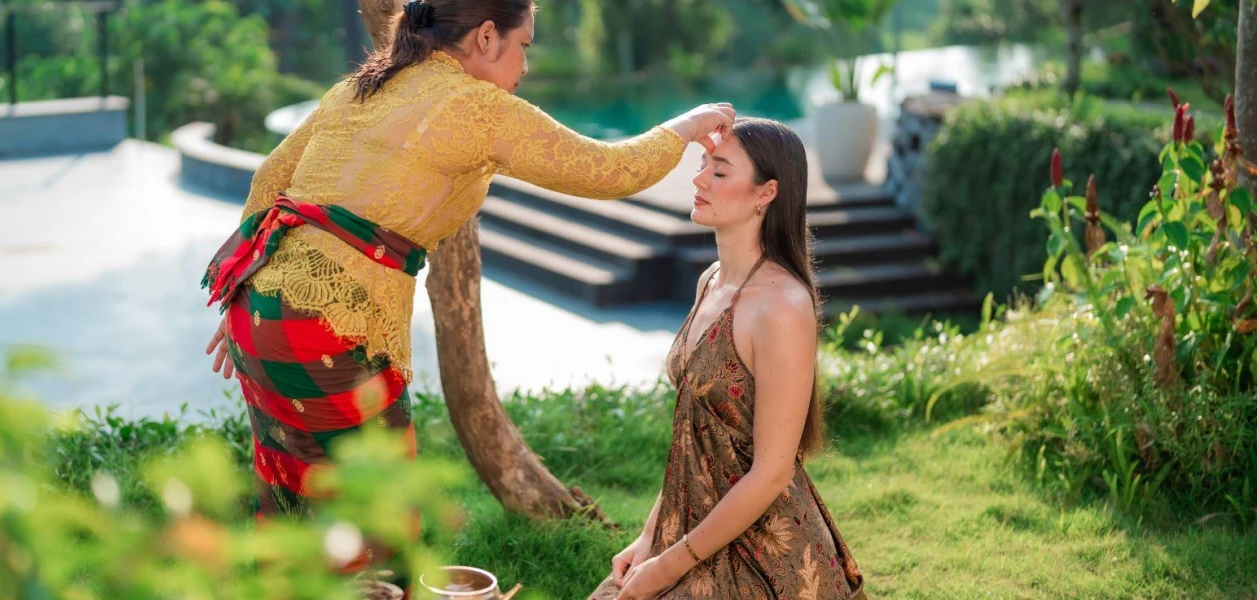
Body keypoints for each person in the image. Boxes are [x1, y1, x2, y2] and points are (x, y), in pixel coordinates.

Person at [200, 0, 733, 551]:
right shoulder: (477, 107)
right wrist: (690, 123)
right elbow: (612, 169)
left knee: (295, 506)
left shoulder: (359, 87)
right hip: (329, 327)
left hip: (260, 310)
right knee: (374, 527)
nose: (526, 66)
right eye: (523, 45)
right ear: (485, 37)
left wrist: (247, 290)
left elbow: (269, 180)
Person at [588, 118, 864, 600]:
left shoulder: (782, 304)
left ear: (766, 193)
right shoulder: (712, 281)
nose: (699, 180)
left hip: (760, 551)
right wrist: (650, 537)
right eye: (703, 167)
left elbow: (772, 472)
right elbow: (692, 438)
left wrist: (668, 566)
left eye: (719, 171)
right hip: (691, 527)